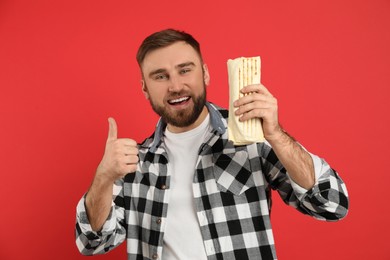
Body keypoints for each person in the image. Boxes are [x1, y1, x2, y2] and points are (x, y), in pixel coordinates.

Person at [75, 29, 349, 260]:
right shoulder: (134, 163)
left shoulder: (252, 137)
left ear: (205, 73)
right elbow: (92, 243)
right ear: (145, 88)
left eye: (185, 70)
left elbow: (331, 203)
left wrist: (276, 134)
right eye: (160, 76)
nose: (175, 85)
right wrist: (104, 177)